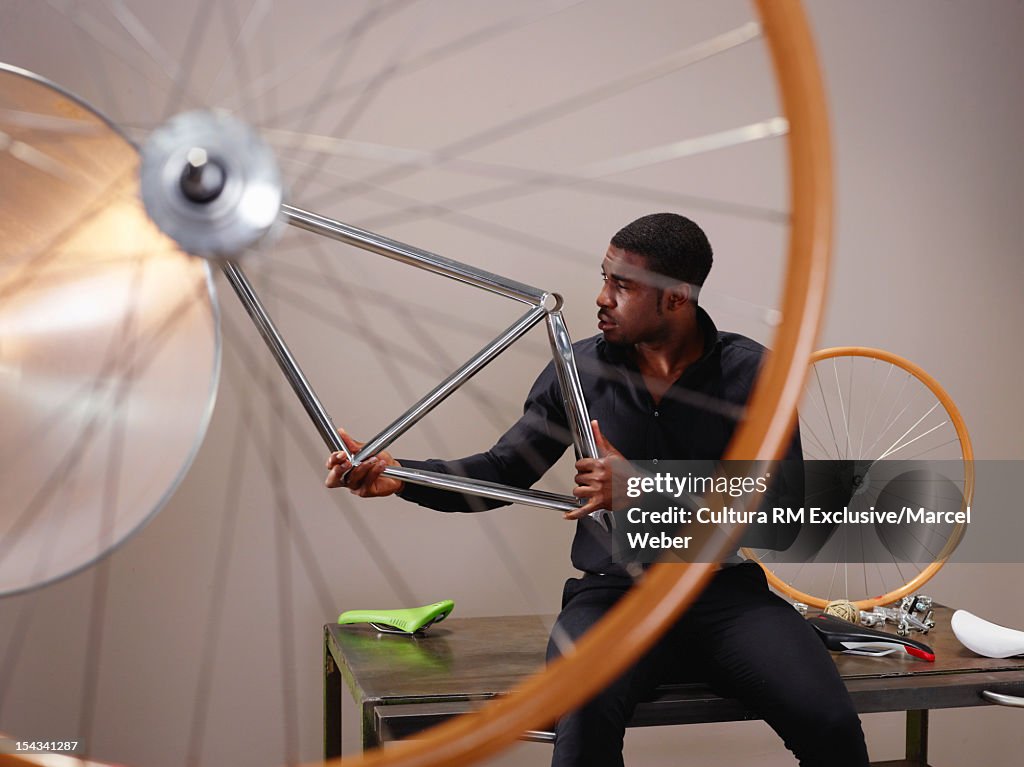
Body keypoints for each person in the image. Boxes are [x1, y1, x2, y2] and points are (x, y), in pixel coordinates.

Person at [325, 213, 869, 766]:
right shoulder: (580, 368)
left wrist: (648, 488)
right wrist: (403, 476)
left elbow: (787, 518)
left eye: (622, 285)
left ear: (676, 299)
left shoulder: (753, 373)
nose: (601, 297)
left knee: (830, 725)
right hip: (612, 596)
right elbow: (503, 471)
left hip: (724, 597)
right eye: (605, 278)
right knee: (579, 722)